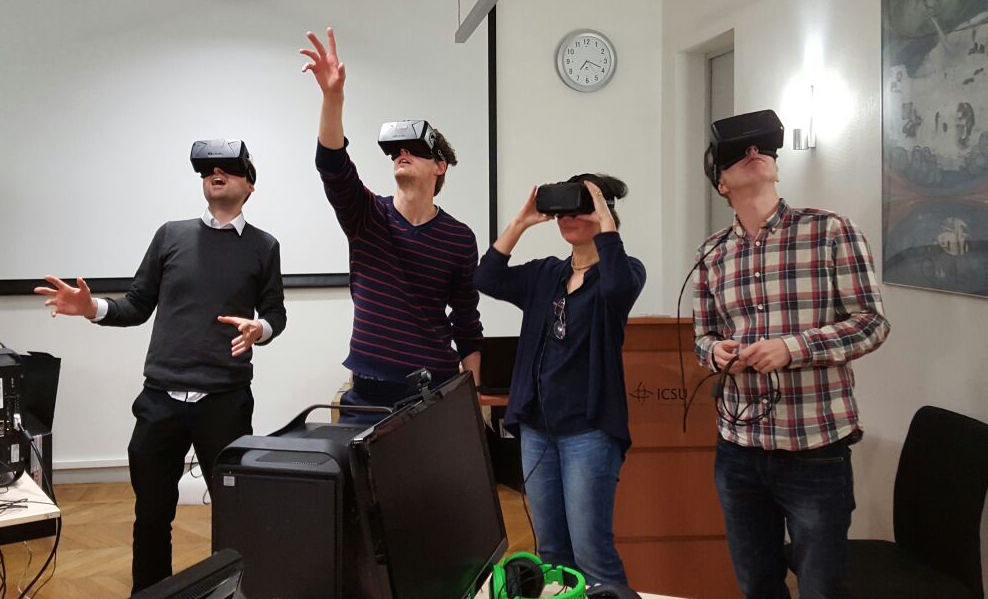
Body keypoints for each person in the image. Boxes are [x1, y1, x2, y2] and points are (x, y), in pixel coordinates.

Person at [34, 141, 286, 593]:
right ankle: (150, 592)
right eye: (208, 168)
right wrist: (92, 307)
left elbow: (276, 313)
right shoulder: (171, 235)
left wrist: (260, 329)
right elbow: (135, 304)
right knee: (151, 514)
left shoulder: (265, 247)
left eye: (229, 167)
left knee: (233, 513)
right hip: (159, 402)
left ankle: (233, 591)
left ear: (250, 185)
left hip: (224, 402)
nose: (216, 172)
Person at [693, 130, 890, 598]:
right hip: (738, 449)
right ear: (721, 184)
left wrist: (793, 348)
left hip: (815, 448)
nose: (754, 153)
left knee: (822, 586)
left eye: (762, 148)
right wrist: (716, 353)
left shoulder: (830, 231)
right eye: (738, 154)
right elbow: (702, 338)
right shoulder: (712, 253)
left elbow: (872, 323)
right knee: (757, 583)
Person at [300, 27, 482, 423]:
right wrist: (333, 97)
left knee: (428, 488)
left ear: (439, 166)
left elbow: (467, 320)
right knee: (362, 486)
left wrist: (471, 401)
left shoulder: (459, 238)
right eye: (397, 150)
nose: (402, 154)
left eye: (416, 150)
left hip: (433, 391)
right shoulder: (368, 216)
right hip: (368, 393)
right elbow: (332, 165)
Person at [474, 175, 646, 585]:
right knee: (552, 553)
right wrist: (520, 222)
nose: (568, 218)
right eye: (563, 211)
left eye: (580, 208)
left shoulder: (622, 272)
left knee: (593, 555)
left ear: (604, 213)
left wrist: (604, 219)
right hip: (537, 430)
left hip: (589, 433)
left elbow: (620, 288)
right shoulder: (545, 274)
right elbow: (486, 279)